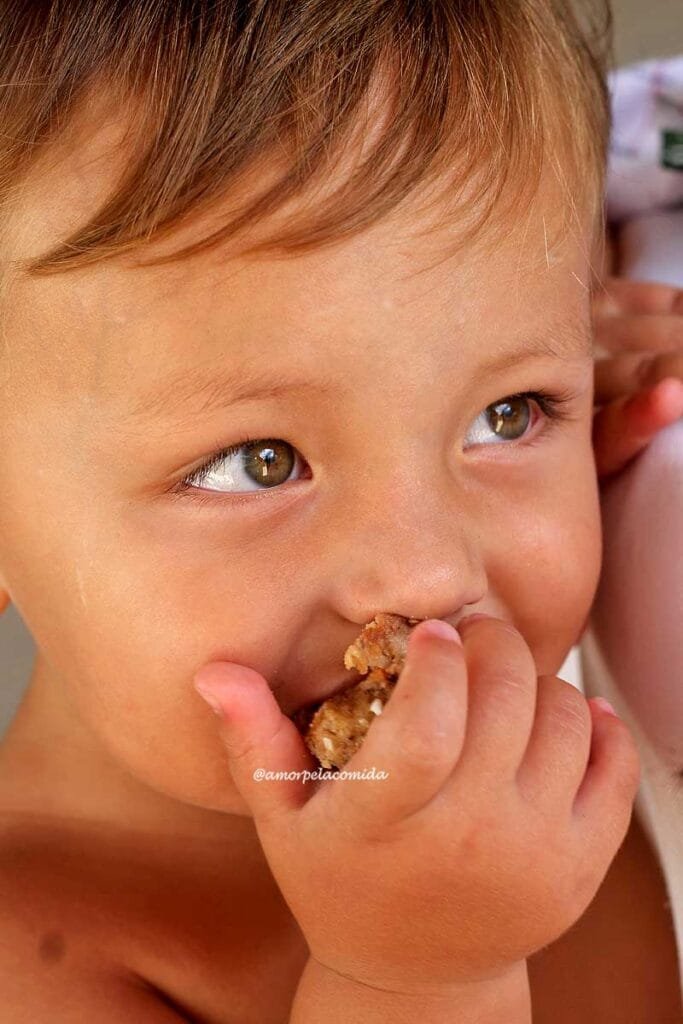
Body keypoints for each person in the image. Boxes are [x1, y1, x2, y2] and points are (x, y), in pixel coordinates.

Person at [0, 3, 681, 1021]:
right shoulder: (37, 956)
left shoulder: (535, 721)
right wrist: (415, 979)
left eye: (504, 413)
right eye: (257, 463)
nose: (426, 574)